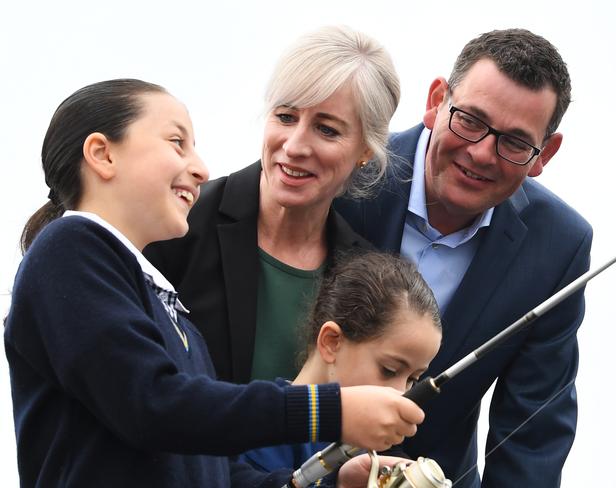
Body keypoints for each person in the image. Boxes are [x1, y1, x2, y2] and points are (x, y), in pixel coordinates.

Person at [4, 79, 423, 488]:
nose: (201, 168)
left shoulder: (166, 302)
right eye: (176, 142)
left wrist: (322, 481)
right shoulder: (71, 247)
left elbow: (204, 464)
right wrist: (329, 410)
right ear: (102, 154)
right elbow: (154, 406)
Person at [334, 28, 593, 487]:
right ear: (437, 100)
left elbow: (532, 434)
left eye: (514, 143)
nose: (481, 153)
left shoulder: (559, 247)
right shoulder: (345, 172)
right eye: (470, 120)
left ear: (544, 155)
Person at [144, 25, 401, 385]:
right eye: (286, 116)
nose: (295, 146)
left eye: (326, 129)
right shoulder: (179, 222)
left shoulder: (369, 278)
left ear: (364, 152)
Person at [238, 250, 443, 472]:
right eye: (389, 370)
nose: (401, 395)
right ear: (331, 341)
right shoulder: (261, 433)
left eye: (413, 379)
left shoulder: (366, 452)